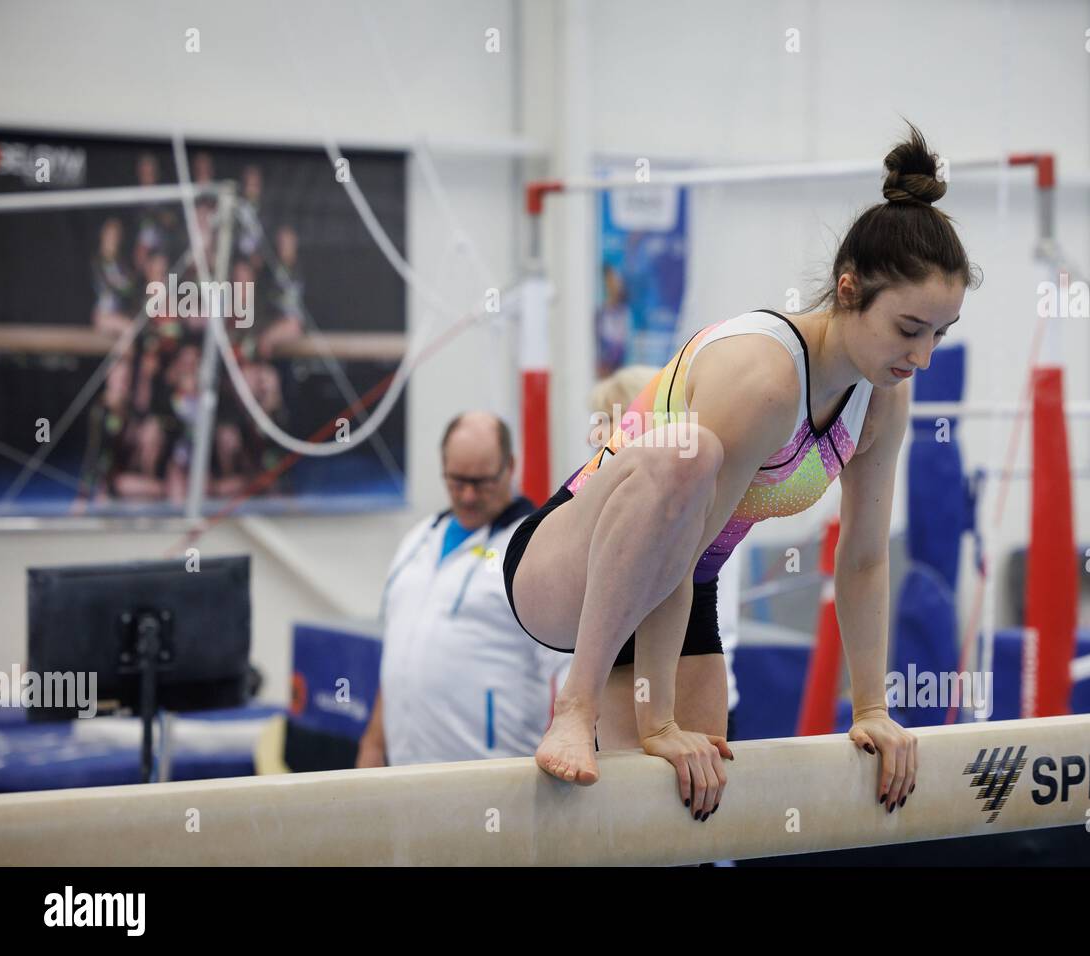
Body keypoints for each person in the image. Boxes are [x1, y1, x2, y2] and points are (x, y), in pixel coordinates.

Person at [503, 125, 979, 821]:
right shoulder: (765, 378)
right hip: (574, 563)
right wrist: (657, 720)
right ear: (848, 290)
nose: (924, 355)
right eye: (910, 329)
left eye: (942, 333)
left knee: (685, 814)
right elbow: (681, 534)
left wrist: (873, 708)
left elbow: (867, 557)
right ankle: (571, 705)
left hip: (682, 583)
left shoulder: (883, 399)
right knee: (688, 455)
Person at [358, 412, 569, 766]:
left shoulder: (536, 551)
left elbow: (569, 668)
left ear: (510, 467)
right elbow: (399, 654)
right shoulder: (419, 539)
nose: (468, 496)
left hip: (493, 778)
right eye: (457, 481)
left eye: (482, 482)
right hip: (404, 771)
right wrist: (374, 744)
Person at [587, 365, 742, 747]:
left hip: (684, 680)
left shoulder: (703, 503)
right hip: (624, 680)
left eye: (617, 421)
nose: (604, 439)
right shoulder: (605, 500)